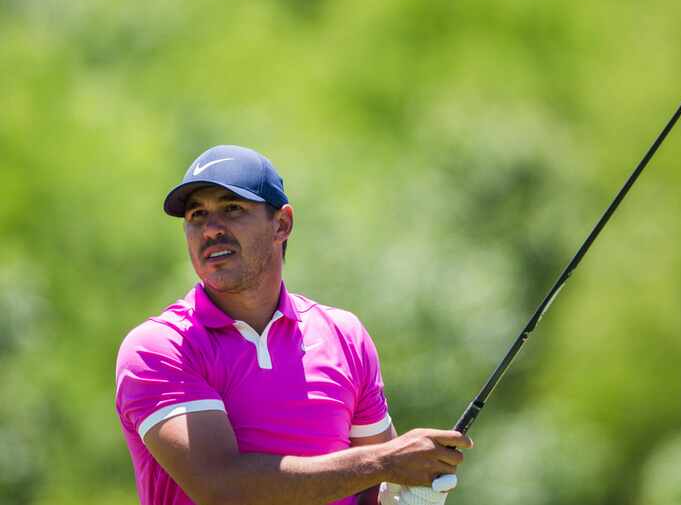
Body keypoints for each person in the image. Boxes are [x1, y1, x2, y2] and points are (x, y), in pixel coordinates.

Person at [115, 145, 472, 505]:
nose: (210, 230)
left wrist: (402, 495)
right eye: (196, 215)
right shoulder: (160, 347)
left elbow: (371, 490)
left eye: (232, 209)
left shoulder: (343, 337)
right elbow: (222, 488)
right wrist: (385, 463)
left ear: (282, 224)